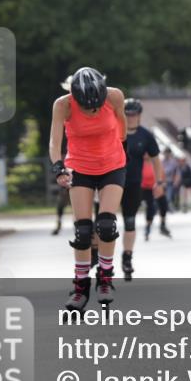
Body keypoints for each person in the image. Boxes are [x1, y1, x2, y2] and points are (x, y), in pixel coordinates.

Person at [49, 67, 127, 311]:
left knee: (106, 224)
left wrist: (112, 147)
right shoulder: (63, 105)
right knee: (83, 230)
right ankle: (80, 287)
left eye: (95, 106)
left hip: (112, 165)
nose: (91, 111)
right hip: (79, 167)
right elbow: (54, 140)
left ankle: (105, 279)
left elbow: (122, 128)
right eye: (86, 107)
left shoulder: (114, 97)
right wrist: (58, 167)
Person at [120, 98, 166, 279]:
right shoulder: (113, 132)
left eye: (134, 114)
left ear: (139, 115)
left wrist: (160, 182)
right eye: (127, 114)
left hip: (133, 184)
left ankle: (127, 257)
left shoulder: (145, 136)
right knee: (103, 224)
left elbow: (156, 161)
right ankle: (98, 258)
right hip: (109, 184)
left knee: (129, 222)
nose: (130, 117)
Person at [141, 159, 170, 241]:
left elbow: (163, 176)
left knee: (164, 205)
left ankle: (163, 225)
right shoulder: (141, 163)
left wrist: (163, 184)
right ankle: (148, 227)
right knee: (151, 208)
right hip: (147, 189)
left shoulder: (157, 162)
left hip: (158, 188)